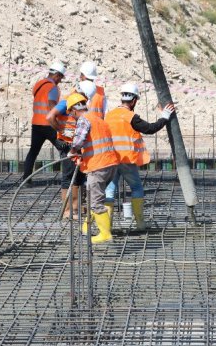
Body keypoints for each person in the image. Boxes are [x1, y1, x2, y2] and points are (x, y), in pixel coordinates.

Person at [104, 83, 175, 231]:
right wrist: (164, 117)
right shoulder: (131, 117)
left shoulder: (109, 115)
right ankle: (140, 224)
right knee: (136, 188)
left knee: (109, 191)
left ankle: (106, 227)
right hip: (126, 160)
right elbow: (149, 128)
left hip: (110, 160)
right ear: (134, 100)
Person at [67, 93, 119, 244]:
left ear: (75, 110)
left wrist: (72, 151)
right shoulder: (98, 119)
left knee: (95, 201)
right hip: (110, 164)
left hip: (99, 166)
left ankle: (105, 233)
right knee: (93, 197)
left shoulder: (84, 119)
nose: (71, 116)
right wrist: (82, 157)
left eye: (70, 113)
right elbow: (95, 143)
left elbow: (79, 141)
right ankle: (87, 227)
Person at [46, 80, 98, 220]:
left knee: (79, 177)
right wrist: (61, 132)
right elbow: (50, 117)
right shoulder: (67, 102)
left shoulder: (79, 102)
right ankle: (68, 210)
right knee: (69, 178)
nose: (85, 101)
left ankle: (76, 207)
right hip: (69, 145)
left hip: (77, 144)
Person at [22, 60, 66, 184]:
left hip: (36, 123)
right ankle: (68, 178)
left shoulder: (39, 84)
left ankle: (26, 179)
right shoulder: (52, 87)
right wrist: (60, 122)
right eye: (60, 77)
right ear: (56, 75)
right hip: (49, 125)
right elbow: (52, 106)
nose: (60, 80)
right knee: (64, 149)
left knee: (33, 152)